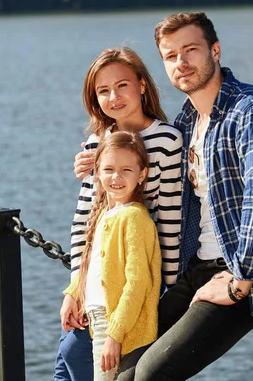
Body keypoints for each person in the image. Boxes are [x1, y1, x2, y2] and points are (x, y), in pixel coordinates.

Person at [76, 12, 253, 380]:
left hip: (245, 273)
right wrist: (103, 152)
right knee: (124, 369)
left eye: (191, 50)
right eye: (170, 56)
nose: (181, 63)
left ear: (215, 51)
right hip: (198, 269)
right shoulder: (187, 121)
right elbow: (145, 168)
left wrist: (238, 283)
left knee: (149, 374)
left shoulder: (252, 110)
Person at [55, 47, 183, 381]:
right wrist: (75, 285)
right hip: (95, 281)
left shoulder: (168, 140)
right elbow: (86, 219)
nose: (114, 97)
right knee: (65, 360)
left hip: (134, 282)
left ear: (142, 85)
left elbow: (170, 218)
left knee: (88, 361)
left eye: (122, 85)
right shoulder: (97, 141)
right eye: (103, 90)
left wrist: (164, 290)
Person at [61, 130, 163, 380]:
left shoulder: (134, 218)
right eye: (108, 169)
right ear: (97, 171)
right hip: (98, 319)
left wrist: (115, 335)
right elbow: (95, 265)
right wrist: (73, 293)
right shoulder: (105, 214)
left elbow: (138, 282)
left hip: (117, 325)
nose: (116, 177)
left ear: (142, 174)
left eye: (126, 170)